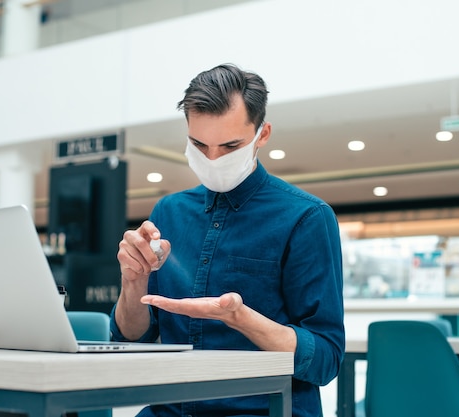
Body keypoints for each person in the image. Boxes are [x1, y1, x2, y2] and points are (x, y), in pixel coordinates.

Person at [111, 63, 345, 417]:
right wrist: (133, 281)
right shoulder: (168, 212)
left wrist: (240, 318)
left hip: (263, 409)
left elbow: (325, 359)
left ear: (262, 135)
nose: (213, 159)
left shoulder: (306, 218)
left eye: (230, 145)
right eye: (199, 144)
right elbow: (132, 338)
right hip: (170, 410)